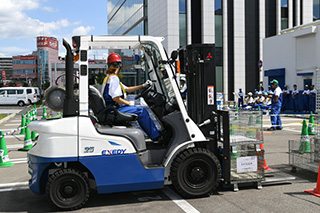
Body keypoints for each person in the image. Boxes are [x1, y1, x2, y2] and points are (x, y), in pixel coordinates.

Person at [101, 52, 161, 141]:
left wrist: (143, 85)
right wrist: (129, 103)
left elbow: (127, 89)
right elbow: (115, 98)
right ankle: (156, 137)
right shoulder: (114, 79)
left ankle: (154, 134)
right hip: (114, 110)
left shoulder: (109, 78)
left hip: (111, 109)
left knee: (139, 110)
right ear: (119, 66)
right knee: (142, 111)